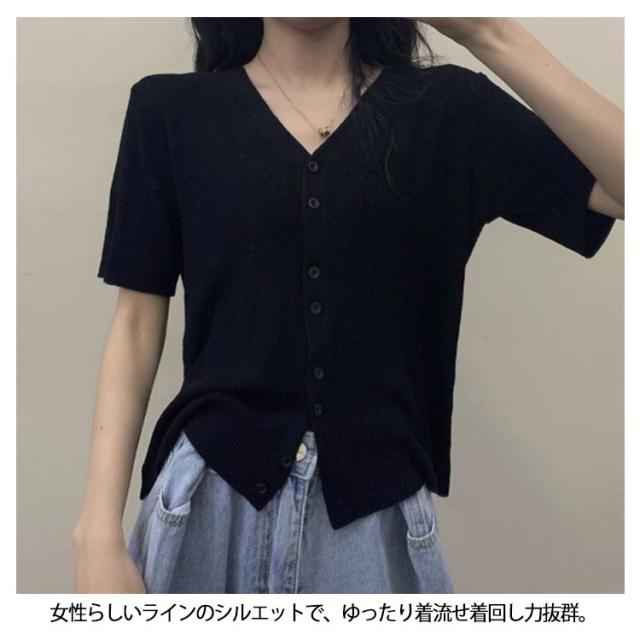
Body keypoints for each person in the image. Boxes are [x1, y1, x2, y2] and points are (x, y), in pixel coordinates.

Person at [72, 17, 623, 594]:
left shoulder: (448, 109)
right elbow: (135, 323)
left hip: (373, 528)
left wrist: (488, 31)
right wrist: (96, 532)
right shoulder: (169, 112)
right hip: (205, 507)